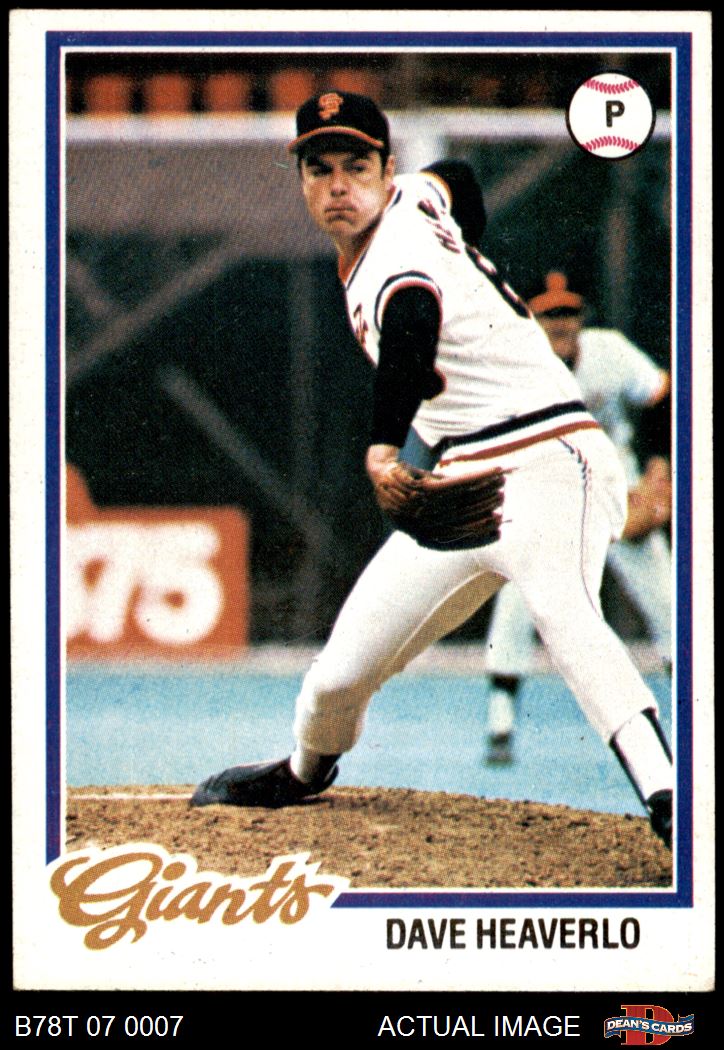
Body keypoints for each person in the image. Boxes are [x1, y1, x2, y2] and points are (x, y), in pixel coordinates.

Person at [191, 91, 674, 848]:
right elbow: (459, 178)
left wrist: (384, 446)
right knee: (338, 675)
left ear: (385, 170)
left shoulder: (396, 256)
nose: (339, 185)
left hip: (549, 455)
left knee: (564, 612)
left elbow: (413, 322)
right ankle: (305, 770)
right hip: (463, 480)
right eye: (320, 169)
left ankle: (668, 796)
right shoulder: (418, 198)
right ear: (303, 180)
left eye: (357, 166)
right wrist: (467, 260)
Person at [483, 272, 673, 765]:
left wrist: (659, 474)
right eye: (550, 313)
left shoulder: (608, 352)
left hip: (616, 483)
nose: (561, 323)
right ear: (530, 317)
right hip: (547, 490)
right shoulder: (512, 364)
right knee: (518, 591)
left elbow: (661, 395)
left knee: (666, 595)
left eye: (568, 312)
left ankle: (696, 710)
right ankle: (501, 720)